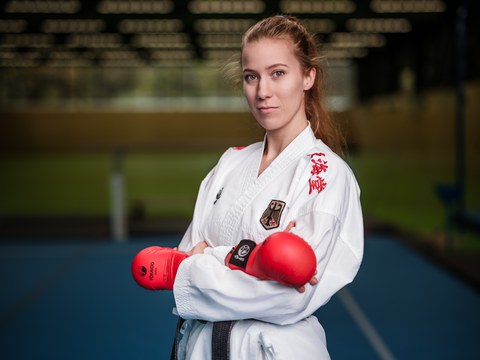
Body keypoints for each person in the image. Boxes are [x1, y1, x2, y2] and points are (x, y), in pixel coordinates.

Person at [141, 15, 364, 359]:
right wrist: (252, 261)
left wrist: (205, 258)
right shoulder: (229, 163)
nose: (262, 91)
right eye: (251, 77)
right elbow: (184, 260)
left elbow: (289, 297)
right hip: (201, 348)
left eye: (278, 73)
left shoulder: (327, 175)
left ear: (308, 76)